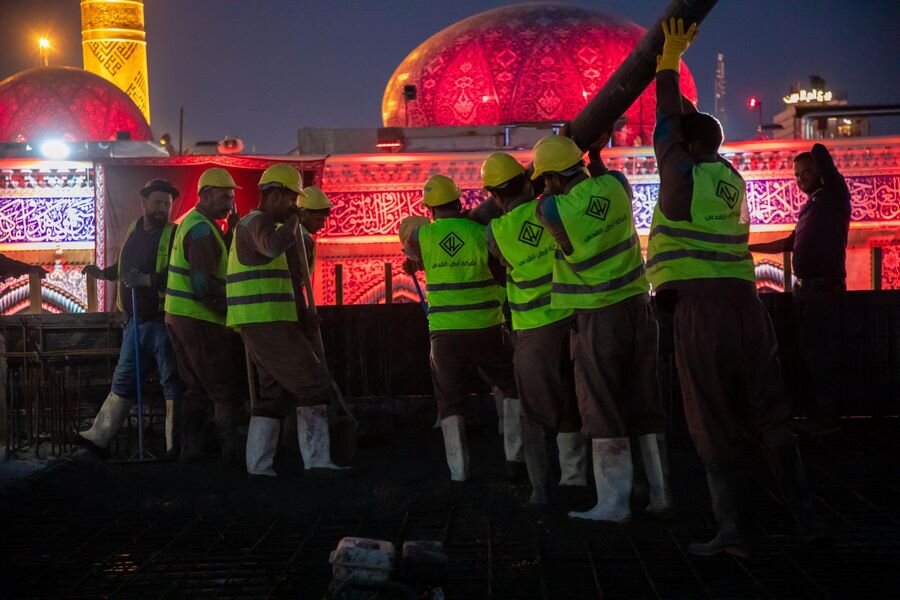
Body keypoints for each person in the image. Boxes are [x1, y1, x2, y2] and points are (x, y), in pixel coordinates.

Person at [648, 18, 823, 557]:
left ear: (689, 143)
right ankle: (806, 520)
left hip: (701, 311)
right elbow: (682, 128)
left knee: (712, 417)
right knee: (770, 412)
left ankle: (734, 531)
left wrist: (667, 61)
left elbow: (666, 123)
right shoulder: (730, 178)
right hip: (746, 306)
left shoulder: (682, 178)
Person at [532, 135, 671, 522]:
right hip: (639, 308)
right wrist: (593, 155)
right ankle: (661, 494)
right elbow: (603, 176)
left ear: (553, 179)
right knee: (645, 399)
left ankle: (613, 503)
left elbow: (541, 202)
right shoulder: (615, 185)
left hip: (597, 315)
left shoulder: (552, 209)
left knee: (602, 404)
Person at [226, 164, 345, 476]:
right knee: (313, 383)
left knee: (273, 394)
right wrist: (294, 221)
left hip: (267, 320)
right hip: (266, 321)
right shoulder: (259, 222)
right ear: (275, 195)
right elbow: (270, 247)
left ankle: (259, 466)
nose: (295, 206)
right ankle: (318, 462)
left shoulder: (262, 223)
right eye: (292, 200)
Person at [400, 175, 520, 482]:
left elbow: (410, 245)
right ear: (459, 202)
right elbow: (500, 270)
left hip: (445, 334)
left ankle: (459, 473)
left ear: (430, 209)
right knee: (512, 386)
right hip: (487, 326)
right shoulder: (481, 232)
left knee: (450, 402)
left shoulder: (423, 236)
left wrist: (417, 262)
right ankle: (515, 458)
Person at [481, 153, 586, 505]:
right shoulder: (553, 207)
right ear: (529, 183)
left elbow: (501, 270)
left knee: (534, 414)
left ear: (495, 196)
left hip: (534, 329)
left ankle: (540, 491)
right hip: (572, 317)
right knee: (570, 401)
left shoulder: (495, 232)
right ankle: (575, 478)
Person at [749, 144, 850, 435]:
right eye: (796, 174)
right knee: (807, 353)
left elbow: (822, 153)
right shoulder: (811, 207)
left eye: (806, 172)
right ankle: (814, 415)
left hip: (823, 291)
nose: (800, 178)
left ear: (821, 172)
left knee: (821, 355)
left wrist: (812, 142)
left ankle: (828, 419)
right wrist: (748, 248)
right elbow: (790, 243)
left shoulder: (834, 196)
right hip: (807, 292)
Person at [77, 179, 182, 455]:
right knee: (123, 380)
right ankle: (99, 438)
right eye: (157, 203)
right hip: (135, 323)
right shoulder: (133, 230)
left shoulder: (174, 234)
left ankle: (175, 447)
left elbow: (181, 274)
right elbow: (124, 267)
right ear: (143, 202)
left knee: (172, 381)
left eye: (167, 204)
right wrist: (103, 273)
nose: (162, 209)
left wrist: (148, 280)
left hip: (163, 323)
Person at [165, 167, 245, 465]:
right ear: (206, 195)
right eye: (224, 198)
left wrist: (231, 233)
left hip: (180, 316)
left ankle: (191, 454)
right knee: (223, 389)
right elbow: (203, 285)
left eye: (231, 198)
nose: (229, 204)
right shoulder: (201, 230)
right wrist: (231, 311)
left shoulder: (196, 224)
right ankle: (230, 456)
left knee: (196, 389)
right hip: (199, 319)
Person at [297, 185, 332, 271]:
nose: (322, 225)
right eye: (318, 220)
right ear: (304, 214)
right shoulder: (304, 239)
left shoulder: (288, 231)